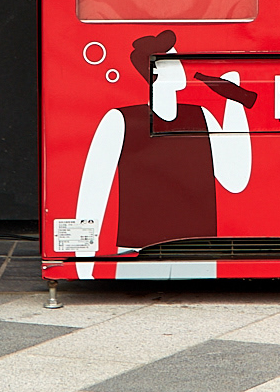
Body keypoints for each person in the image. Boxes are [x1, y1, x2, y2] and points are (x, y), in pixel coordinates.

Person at [70, 29, 254, 279]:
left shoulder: (201, 116)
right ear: (153, 71)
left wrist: (234, 103)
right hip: (138, 249)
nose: (182, 65)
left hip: (199, 250)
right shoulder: (121, 120)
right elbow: (93, 193)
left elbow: (235, 179)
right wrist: (83, 265)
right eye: (173, 60)